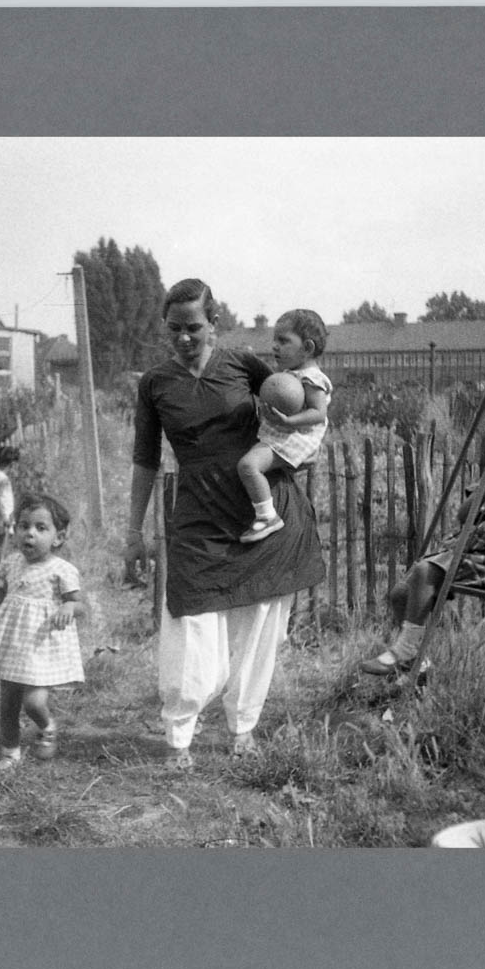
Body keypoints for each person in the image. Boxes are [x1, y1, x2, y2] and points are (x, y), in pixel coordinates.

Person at [125, 278, 326, 770]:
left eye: (194, 327)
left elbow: (305, 403)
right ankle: (180, 736)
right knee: (189, 624)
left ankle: (243, 728)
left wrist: (295, 444)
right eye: (174, 329)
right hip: (198, 514)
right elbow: (145, 460)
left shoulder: (242, 364)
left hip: (263, 513)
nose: (184, 338)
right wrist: (132, 533)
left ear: (214, 323)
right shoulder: (155, 384)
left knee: (260, 629)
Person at [362, 412, 485, 677]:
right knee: (400, 594)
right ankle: (418, 665)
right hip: (463, 552)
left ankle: (403, 652)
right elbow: (462, 516)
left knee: (425, 571)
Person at [0, 492, 86, 771]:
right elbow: (3, 596)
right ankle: (10, 754)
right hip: (13, 643)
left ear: (58, 538)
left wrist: (68, 608)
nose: (29, 534)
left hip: (41, 645)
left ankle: (47, 725)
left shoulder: (62, 570)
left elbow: (79, 604)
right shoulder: (12, 563)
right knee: (7, 703)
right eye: (24, 526)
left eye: (40, 528)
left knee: (33, 701)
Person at [237, 309, 334, 543]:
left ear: (308, 348)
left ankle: (267, 516)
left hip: (295, 438)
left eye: (283, 341)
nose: (275, 346)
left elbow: (318, 413)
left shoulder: (312, 378)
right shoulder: (292, 374)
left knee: (248, 466)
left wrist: (290, 421)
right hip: (285, 434)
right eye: (274, 340)